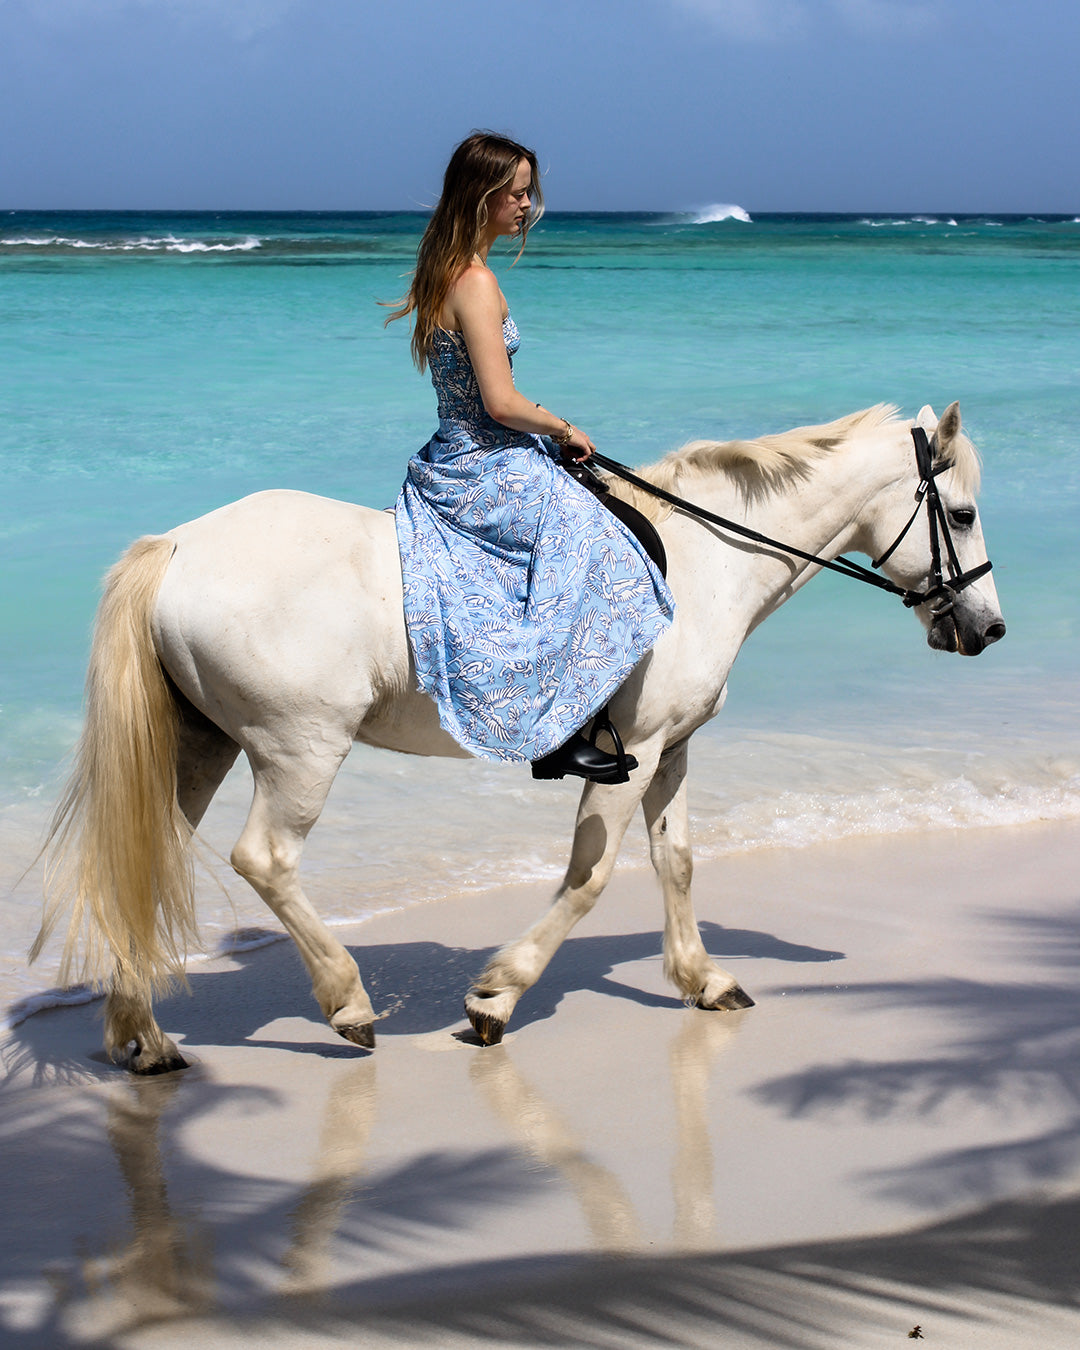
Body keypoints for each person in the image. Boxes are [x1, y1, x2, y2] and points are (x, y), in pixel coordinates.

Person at [387, 131, 674, 783]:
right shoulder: (476, 282)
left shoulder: (445, 269)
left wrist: (540, 430)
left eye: (527, 192)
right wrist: (564, 426)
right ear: (483, 198)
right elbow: (499, 402)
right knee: (599, 543)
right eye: (516, 194)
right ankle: (558, 732)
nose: (527, 205)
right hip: (484, 460)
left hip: (460, 451)